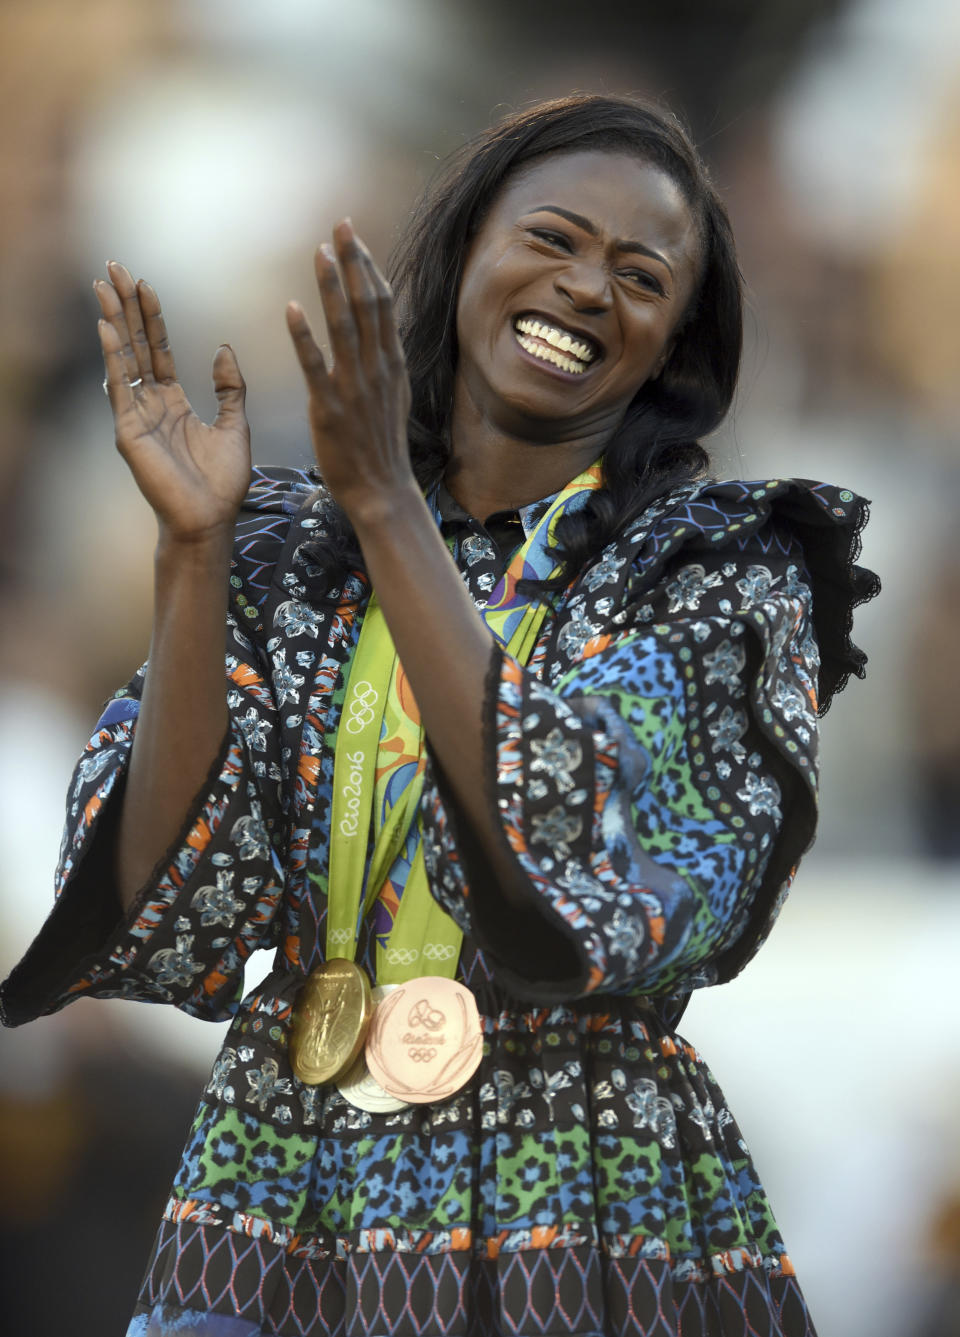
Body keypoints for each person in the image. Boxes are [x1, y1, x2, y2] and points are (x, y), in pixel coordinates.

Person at [0, 94, 878, 1337]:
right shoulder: (295, 552)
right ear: (466, 251)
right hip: (283, 1184)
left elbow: (579, 870)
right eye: (554, 240)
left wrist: (388, 509)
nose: (585, 287)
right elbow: (165, 895)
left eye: (639, 274)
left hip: (578, 1203)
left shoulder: (722, 575)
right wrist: (195, 555)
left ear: (677, 343)